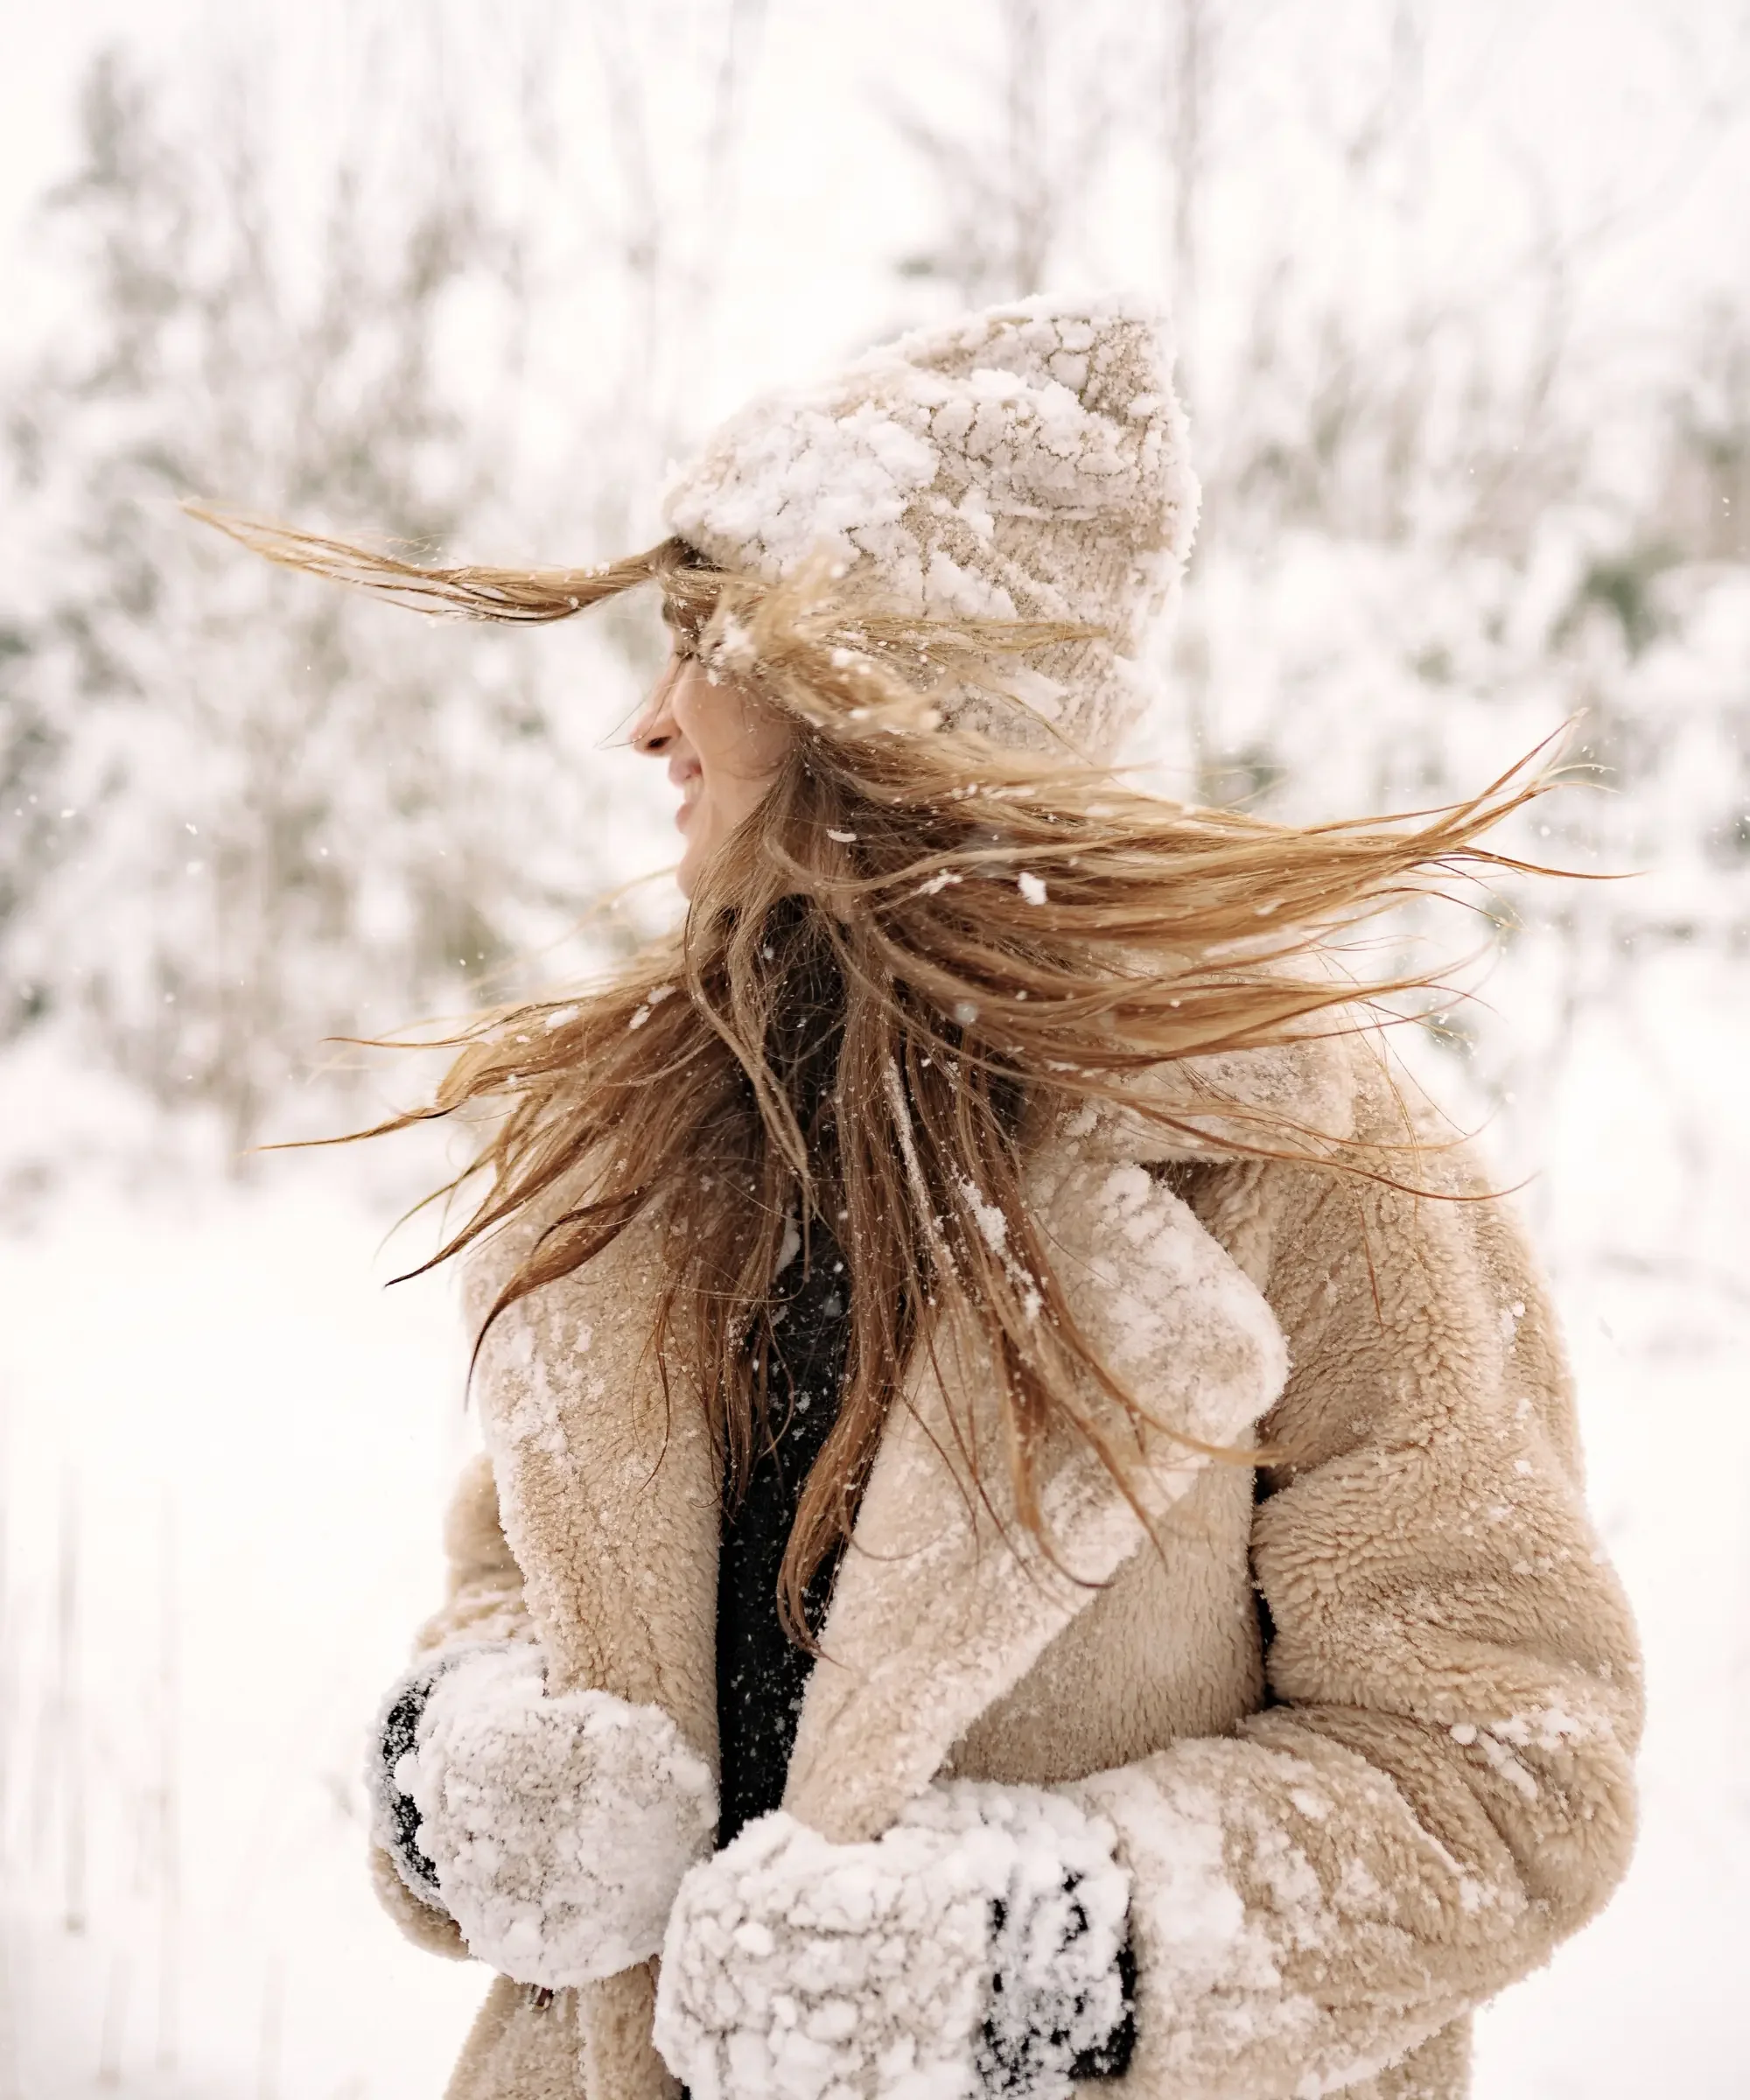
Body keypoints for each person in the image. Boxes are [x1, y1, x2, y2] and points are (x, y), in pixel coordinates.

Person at [206, 294, 1641, 2100]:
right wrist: (471, 1772)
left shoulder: (1305, 1167)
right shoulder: (651, 1153)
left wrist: (1026, 1970)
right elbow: (511, 1586)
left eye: (698, 646)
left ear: (885, 691)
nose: (649, 727)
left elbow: (1505, 1770)